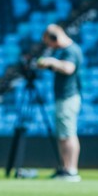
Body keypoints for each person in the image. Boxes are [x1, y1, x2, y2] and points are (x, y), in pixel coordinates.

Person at [35, 24, 84, 182]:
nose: (49, 46)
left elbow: (68, 68)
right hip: (63, 97)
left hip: (68, 97)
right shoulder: (64, 51)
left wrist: (51, 61)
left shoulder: (70, 50)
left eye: (49, 42)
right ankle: (65, 168)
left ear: (54, 38)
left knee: (68, 134)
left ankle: (71, 170)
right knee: (63, 135)